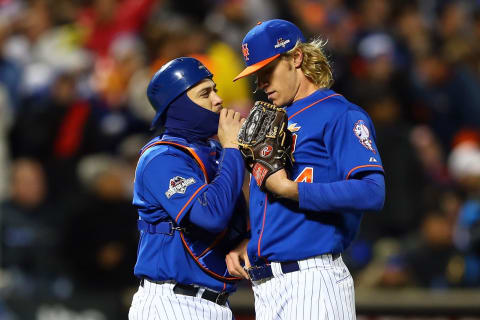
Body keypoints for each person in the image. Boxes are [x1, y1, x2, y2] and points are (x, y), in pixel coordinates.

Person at [227, 19, 386, 319]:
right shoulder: (271, 121)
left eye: (267, 71)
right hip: (266, 285)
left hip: (313, 278)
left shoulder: (339, 113)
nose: (261, 84)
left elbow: (372, 191)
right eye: (256, 75)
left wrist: (290, 189)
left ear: (296, 58)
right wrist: (249, 241)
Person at [129, 57, 248, 320]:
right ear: (179, 106)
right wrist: (232, 149)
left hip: (217, 303)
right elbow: (210, 215)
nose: (218, 99)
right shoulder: (161, 158)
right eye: (205, 93)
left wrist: (245, 241)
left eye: (214, 89)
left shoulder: (214, 152)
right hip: (171, 304)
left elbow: (238, 218)